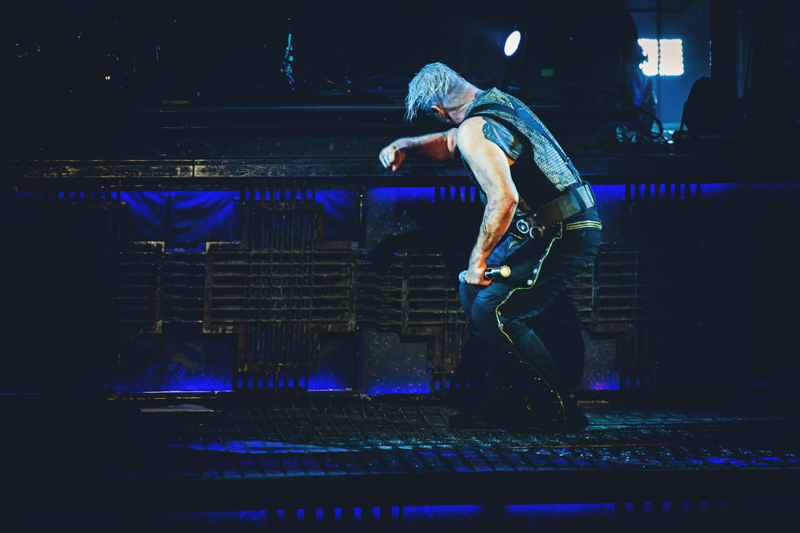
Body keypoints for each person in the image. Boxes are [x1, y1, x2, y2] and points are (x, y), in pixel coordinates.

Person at [379, 63, 602, 432]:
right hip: (547, 228)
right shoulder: (498, 103)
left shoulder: (474, 127)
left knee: (495, 310)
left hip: (564, 230)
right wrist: (406, 145)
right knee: (474, 295)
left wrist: (477, 260)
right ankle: (505, 403)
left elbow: (504, 200)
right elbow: (452, 141)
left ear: (437, 110)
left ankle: (561, 409)